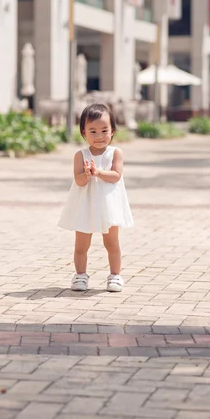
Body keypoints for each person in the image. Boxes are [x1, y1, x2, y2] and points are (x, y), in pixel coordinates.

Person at [58, 103, 134, 293]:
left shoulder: (115, 153)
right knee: (81, 244)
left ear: (113, 130)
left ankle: (115, 275)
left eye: (104, 130)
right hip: (86, 204)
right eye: (92, 131)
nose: (99, 136)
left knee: (112, 243)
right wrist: (87, 174)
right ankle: (80, 275)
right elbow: (79, 181)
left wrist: (98, 172)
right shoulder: (80, 155)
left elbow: (116, 176)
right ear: (83, 132)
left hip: (109, 205)